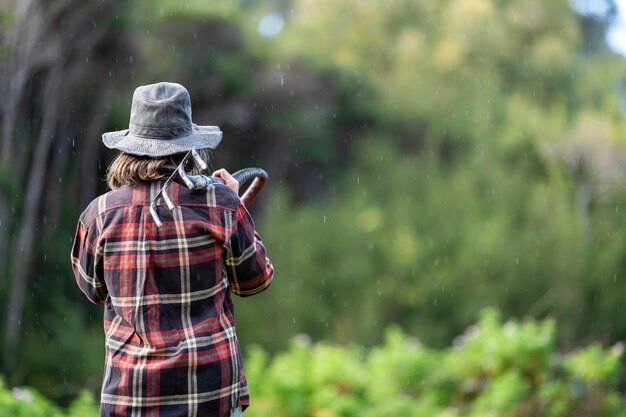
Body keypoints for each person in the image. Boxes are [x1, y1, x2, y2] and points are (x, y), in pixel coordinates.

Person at [70, 82, 274, 417]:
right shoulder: (221, 204)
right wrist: (235, 204)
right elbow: (255, 280)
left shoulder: (99, 214)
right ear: (189, 147)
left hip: (131, 398)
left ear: (130, 148)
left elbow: (92, 290)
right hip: (210, 395)